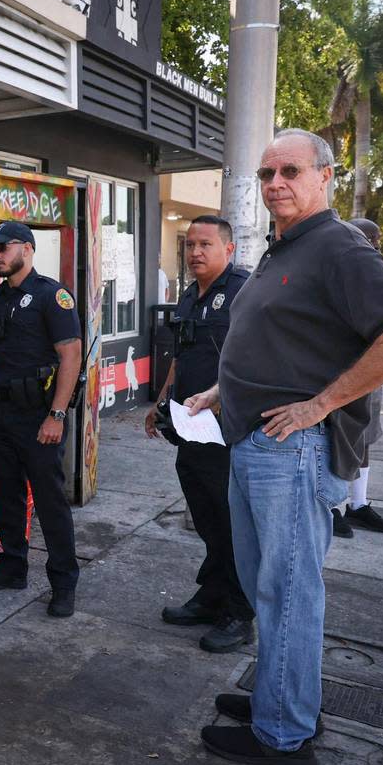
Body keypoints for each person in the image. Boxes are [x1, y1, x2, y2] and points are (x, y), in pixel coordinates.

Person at [187, 129, 383, 765]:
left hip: (291, 452)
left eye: (290, 171)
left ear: (325, 175)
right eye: (267, 174)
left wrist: (319, 406)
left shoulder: (338, 247)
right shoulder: (285, 247)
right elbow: (282, 342)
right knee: (267, 588)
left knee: (288, 593)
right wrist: (220, 390)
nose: (275, 185)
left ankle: (285, 735)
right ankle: (281, 698)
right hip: (254, 441)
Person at [0, 222, 83, 618]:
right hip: (2, 415)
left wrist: (57, 415)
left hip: (40, 416)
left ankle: (63, 582)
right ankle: (12, 567)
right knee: (6, 492)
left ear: (26, 248)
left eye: (3, 248)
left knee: (50, 501)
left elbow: (70, 356)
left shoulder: (50, 296)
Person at [146, 215, 255, 652]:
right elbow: (180, 354)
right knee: (207, 519)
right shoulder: (190, 296)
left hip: (227, 430)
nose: (195, 252)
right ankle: (212, 596)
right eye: (190, 244)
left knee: (230, 524)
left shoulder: (244, 291)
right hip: (190, 425)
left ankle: (239, 612)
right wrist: (160, 400)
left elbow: (255, 356)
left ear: (228, 249)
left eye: (205, 244)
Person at [332, 218, 383, 536]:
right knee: (337, 437)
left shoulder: (377, 267)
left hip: (371, 366)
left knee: (365, 435)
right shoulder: (337, 265)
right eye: (376, 238)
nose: (378, 244)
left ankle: (358, 504)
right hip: (338, 369)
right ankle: (334, 508)